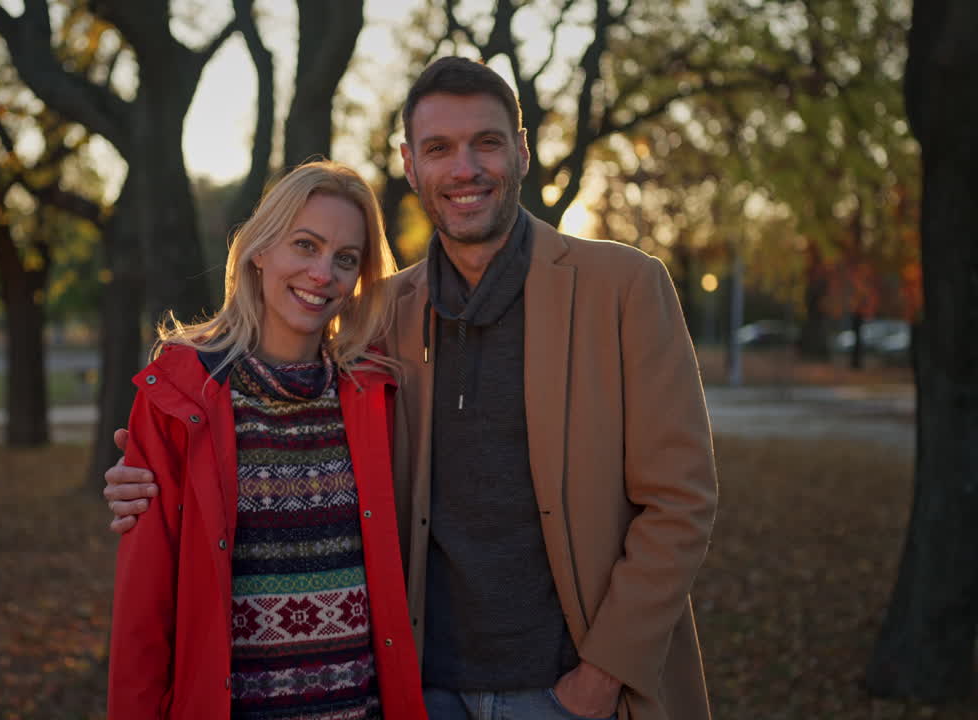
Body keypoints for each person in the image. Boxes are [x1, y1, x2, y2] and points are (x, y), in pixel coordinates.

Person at [107, 58, 718, 720]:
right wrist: (154, 477)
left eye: (487, 142)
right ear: (410, 163)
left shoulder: (623, 288)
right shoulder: (382, 318)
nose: (465, 168)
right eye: (439, 148)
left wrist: (599, 678)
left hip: (567, 692)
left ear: (522, 150)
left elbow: (680, 499)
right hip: (420, 692)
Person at [107, 160, 427, 720]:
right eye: (305, 245)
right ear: (260, 250)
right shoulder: (179, 396)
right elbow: (143, 607)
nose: (322, 273)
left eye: (345, 259)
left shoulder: (378, 396)